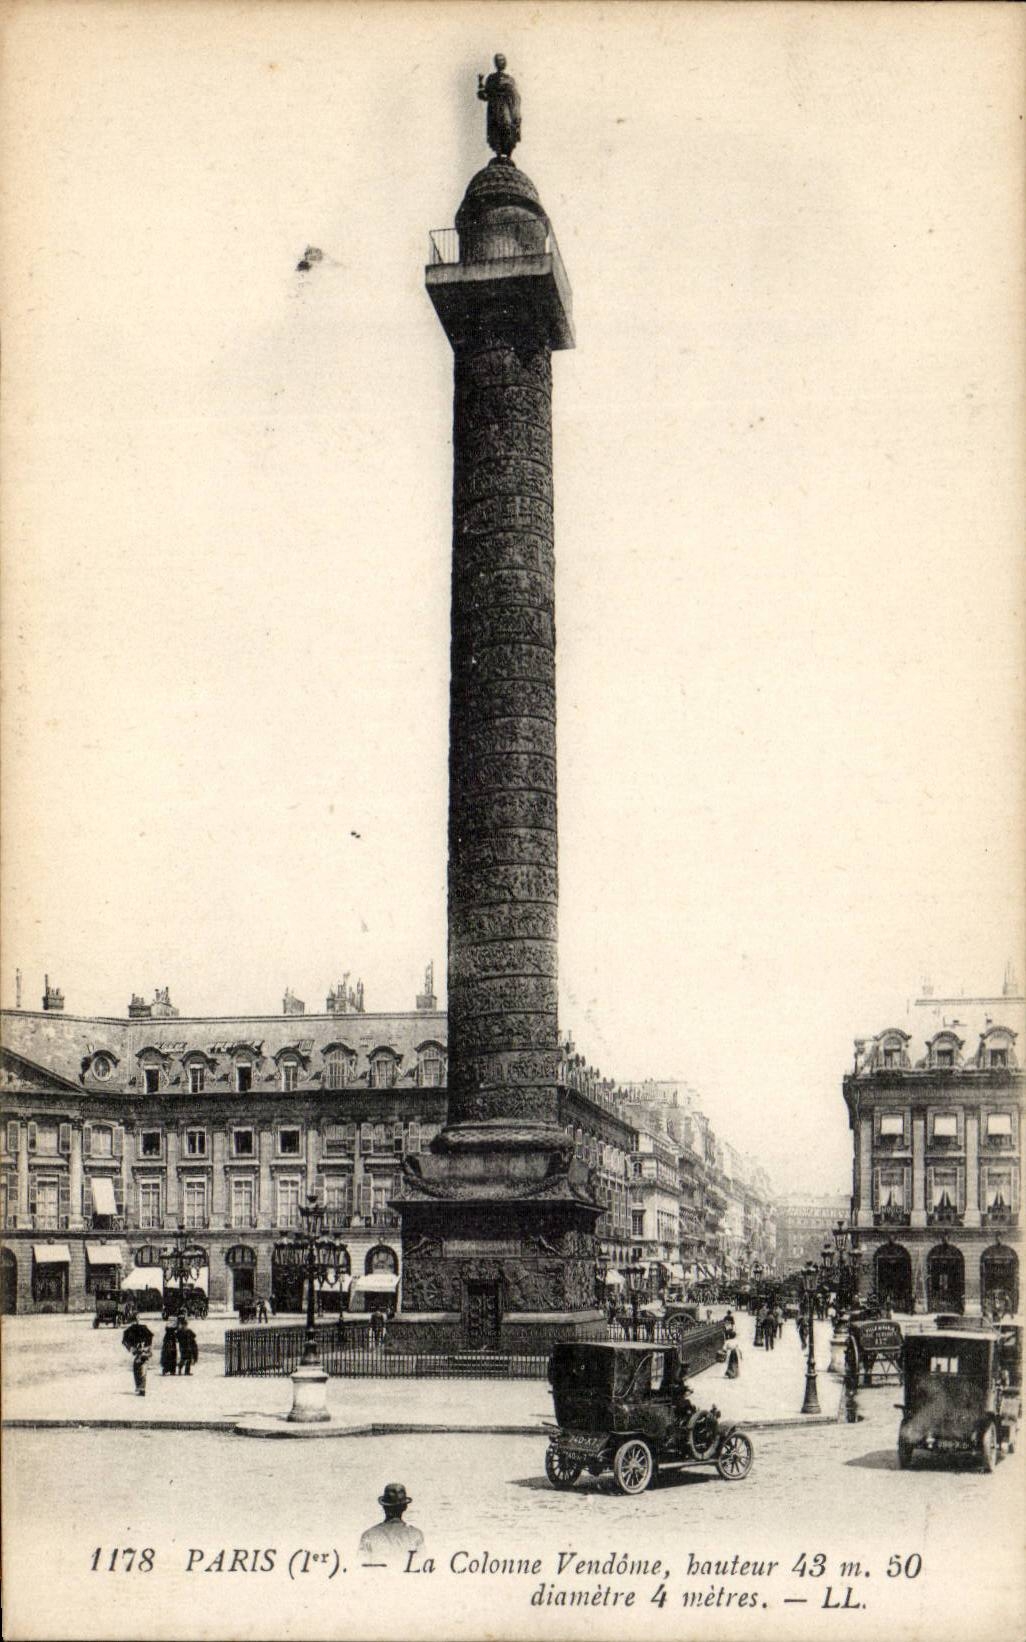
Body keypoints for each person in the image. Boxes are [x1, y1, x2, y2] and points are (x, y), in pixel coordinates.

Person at [358, 1484, 424, 1567]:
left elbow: (360, 1568)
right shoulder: (416, 1534)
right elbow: (422, 1567)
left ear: (384, 1506)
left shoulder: (368, 1535)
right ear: (405, 1507)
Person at [122, 1318, 154, 1397]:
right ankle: (140, 1388)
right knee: (140, 1371)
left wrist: (144, 1349)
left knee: (141, 1371)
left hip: (143, 1354)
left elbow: (126, 1343)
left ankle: (141, 1388)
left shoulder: (135, 1331)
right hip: (141, 1355)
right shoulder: (141, 1330)